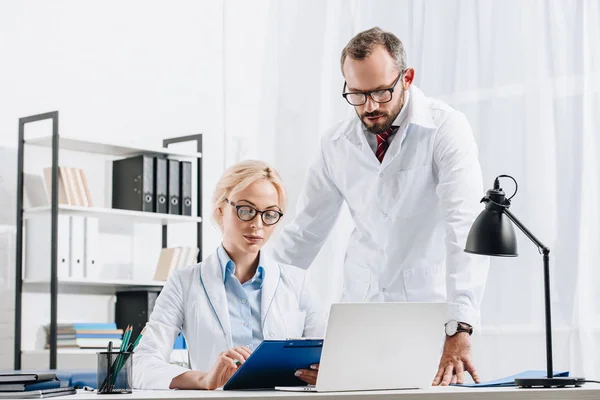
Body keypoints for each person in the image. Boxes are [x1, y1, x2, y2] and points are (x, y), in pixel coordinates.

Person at [274, 27, 489, 386]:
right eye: (357, 95)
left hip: (427, 313)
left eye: (380, 92)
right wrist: (253, 286)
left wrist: (461, 325)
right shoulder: (335, 144)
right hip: (360, 312)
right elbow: (304, 234)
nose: (370, 106)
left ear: (407, 78)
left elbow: (464, 228)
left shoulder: (445, 128)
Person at [133, 160, 325, 390]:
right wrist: (203, 379)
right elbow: (140, 365)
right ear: (220, 209)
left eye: (270, 214)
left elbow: (330, 357)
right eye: (246, 210)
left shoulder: (298, 281)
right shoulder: (184, 282)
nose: (257, 224)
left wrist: (325, 373)